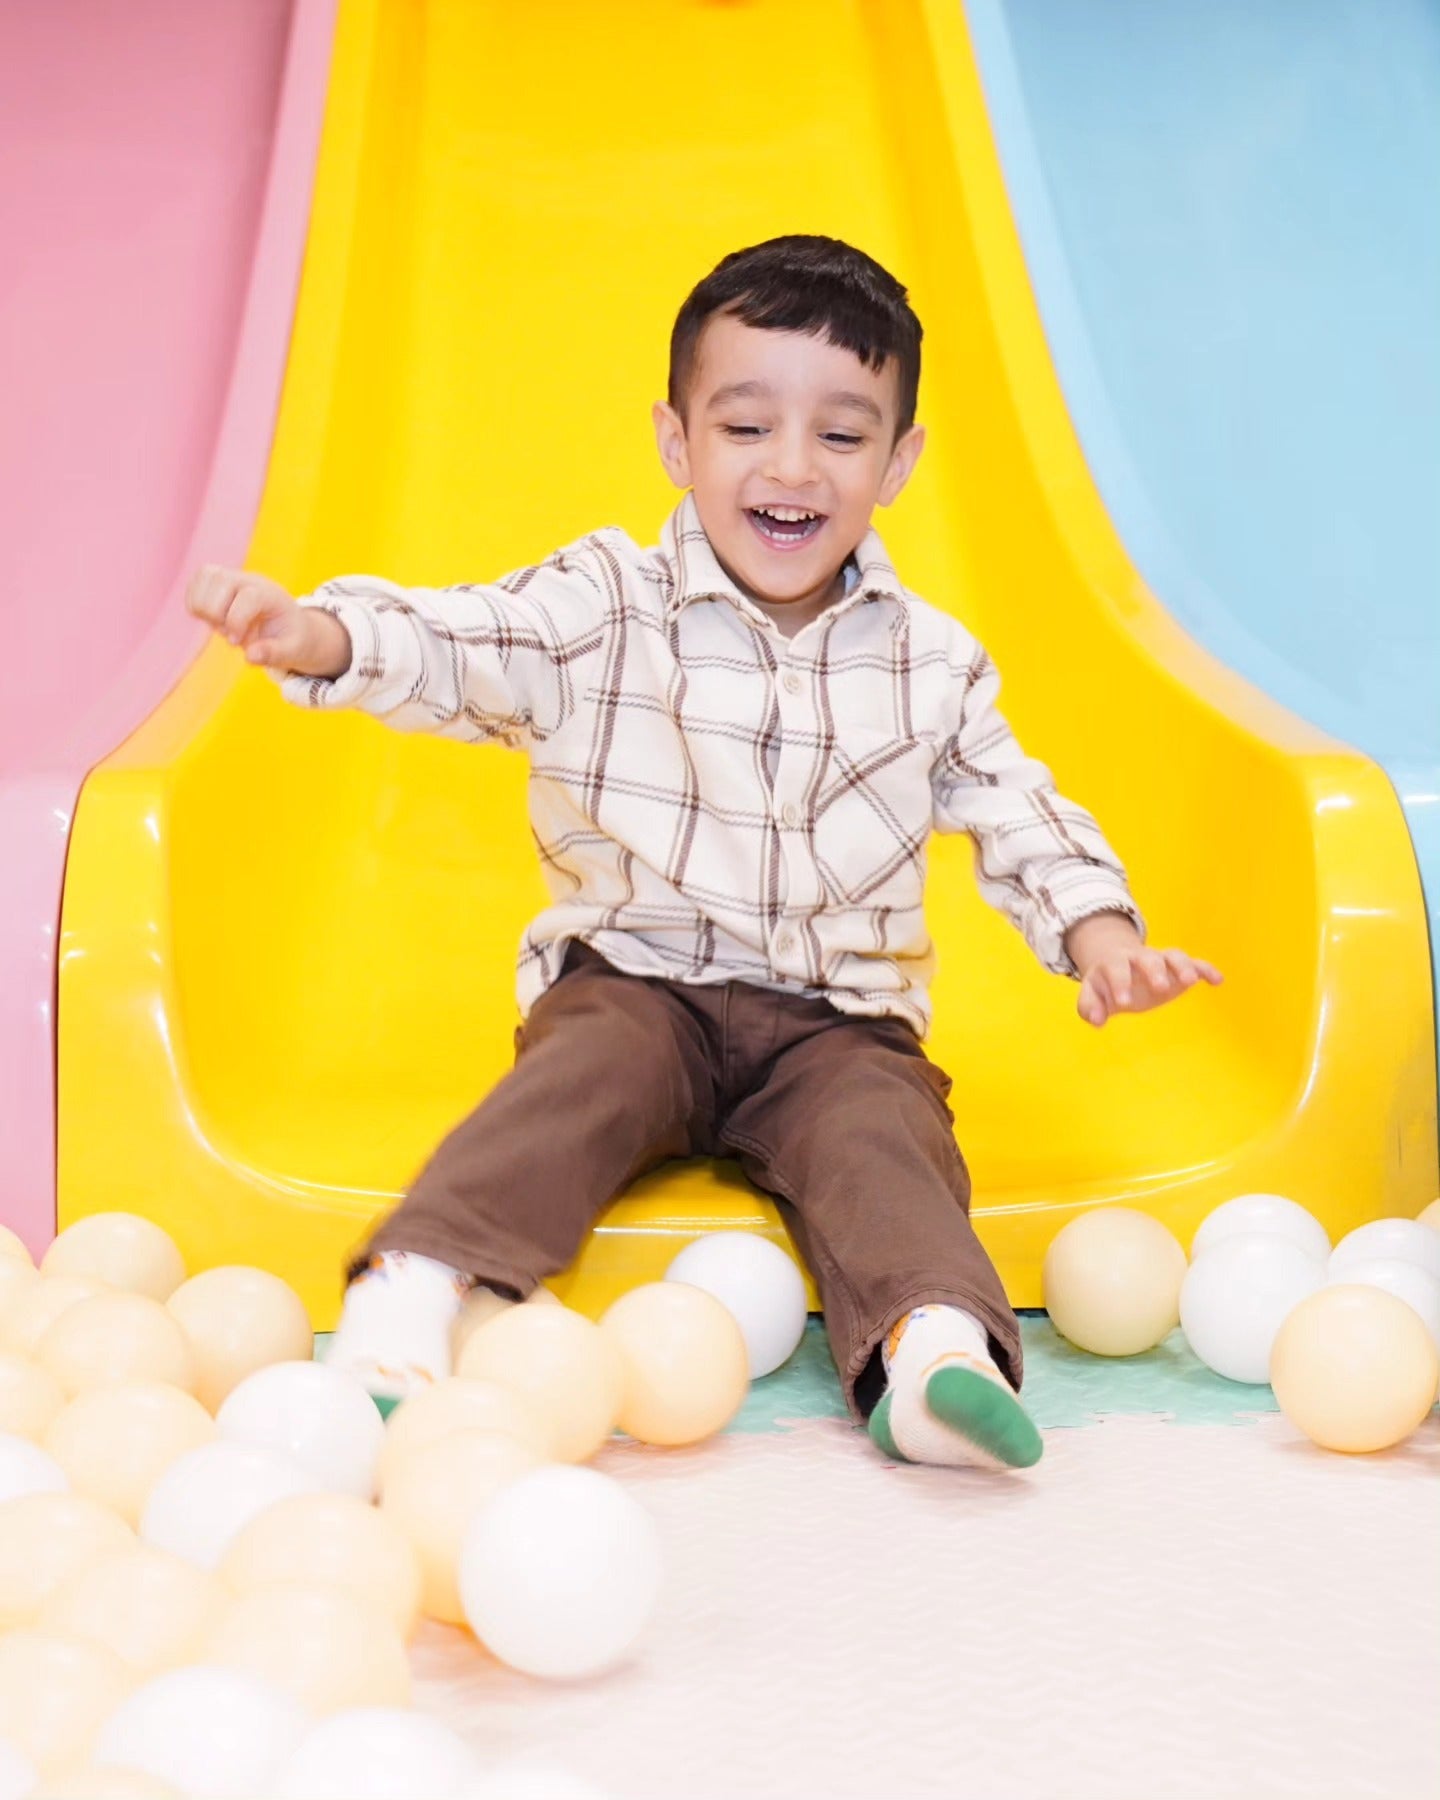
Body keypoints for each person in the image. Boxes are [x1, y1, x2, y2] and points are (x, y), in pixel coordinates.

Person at [184, 235, 1221, 1472]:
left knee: (886, 1141)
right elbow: (466, 639)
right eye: (746, 429)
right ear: (677, 443)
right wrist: (324, 637)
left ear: (900, 463)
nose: (793, 469)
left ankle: (934, 1353)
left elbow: (1016, 809)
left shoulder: (932, 663)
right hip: (638, 981)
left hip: (839, 1020)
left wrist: (1100, 936)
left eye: (842, 436)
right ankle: (416, 1295)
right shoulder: (604, 607)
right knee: (571, 1086)